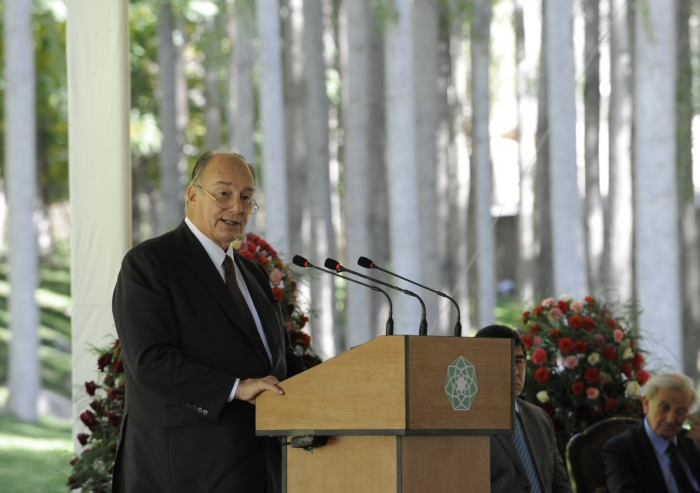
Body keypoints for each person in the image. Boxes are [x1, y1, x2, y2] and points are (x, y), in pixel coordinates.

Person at [111, 151, 306, 493]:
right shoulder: (150, 264)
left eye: (246, 197)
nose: (237, 207)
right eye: (224, 193)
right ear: (192, 195)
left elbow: (278, 361)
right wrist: (236, 386)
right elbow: (150, 360)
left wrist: (341, 385)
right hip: (187, 470)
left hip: (261, 468)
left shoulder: (253, 275)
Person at [474, 324, 573, 493]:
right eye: (504, 361)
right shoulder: (468, 423)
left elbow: (560, 484)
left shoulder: (539, 418)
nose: (515, 372)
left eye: (518, 362)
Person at [602, 372, 700, 493]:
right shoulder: (621, 449)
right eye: (664, 408)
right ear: (646, 404)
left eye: (681, 411)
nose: (670, 419)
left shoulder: (692, 441)